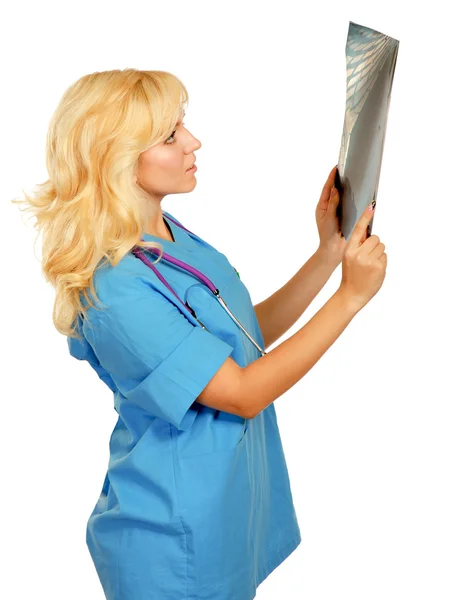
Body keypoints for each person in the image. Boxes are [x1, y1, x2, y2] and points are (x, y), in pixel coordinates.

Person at [13, 69, 387, 600]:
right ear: (117, 156)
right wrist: (350, 298)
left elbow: (240, 337)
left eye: (181, 125)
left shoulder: (163, 234)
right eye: (169, 135)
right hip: (170, 538)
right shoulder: (115, 288)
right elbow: (241, 392)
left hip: (220, 509)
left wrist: (327, 255)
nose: (193, 141)